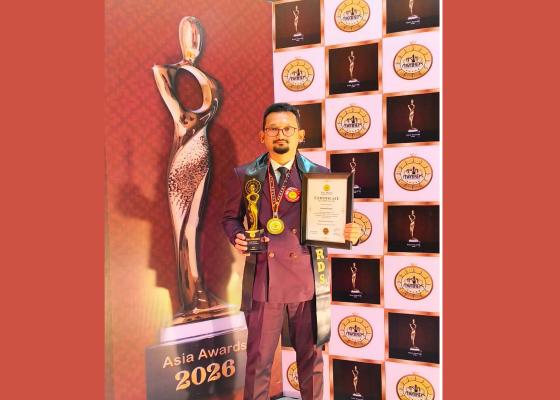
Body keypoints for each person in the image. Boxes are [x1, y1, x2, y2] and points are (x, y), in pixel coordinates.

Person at [222, 103, 362, 400]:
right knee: (258, 362)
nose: (280, 134)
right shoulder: (245, 174)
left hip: (307, 279)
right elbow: (230, 219)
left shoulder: (321, 176)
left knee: (311, 361)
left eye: (287, 128)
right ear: (262, 136)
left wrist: (352, 233)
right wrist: (237, 236)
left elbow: (338, 224)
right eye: (273, 129)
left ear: (300, 134)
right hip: (264, 280)